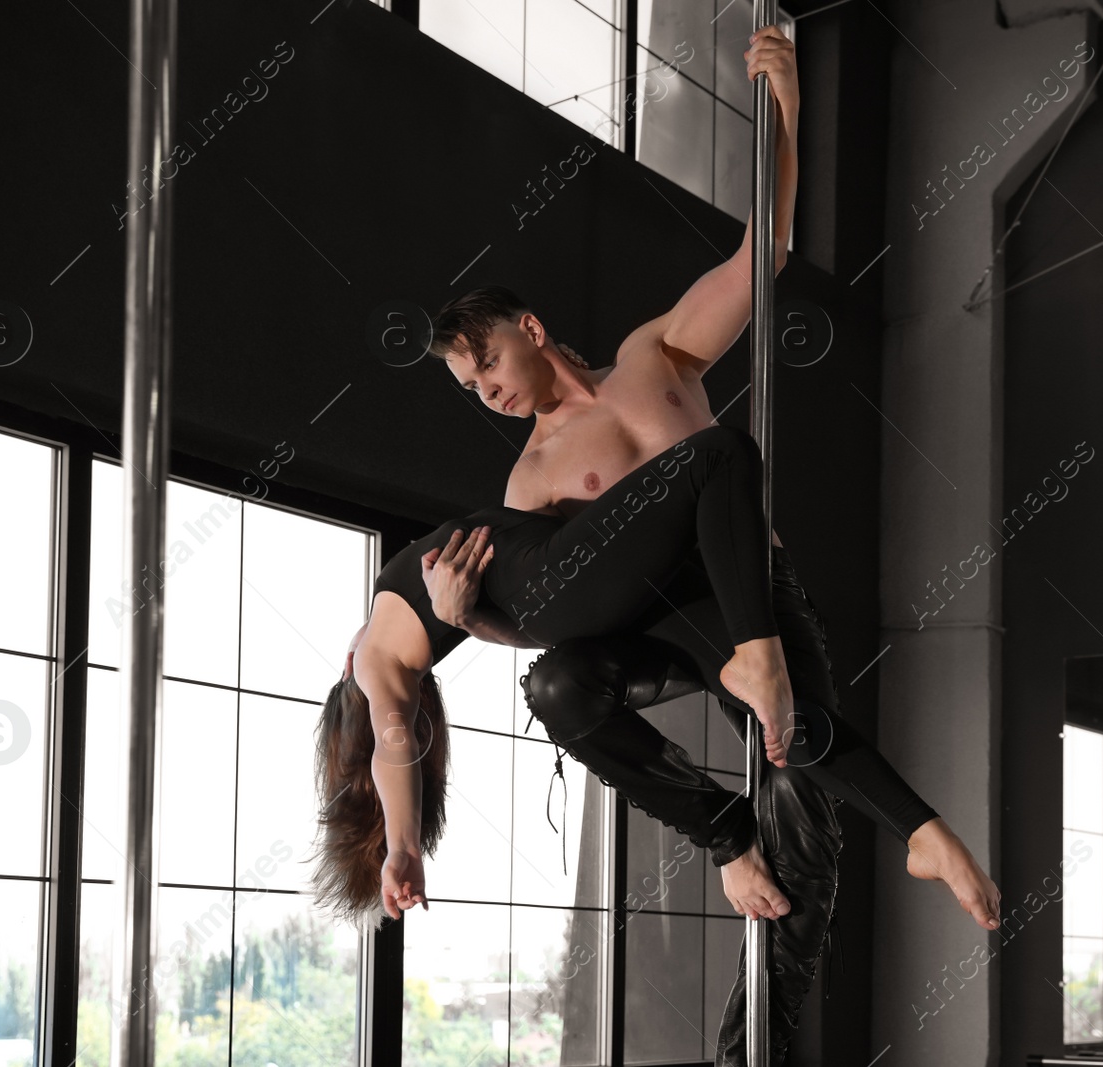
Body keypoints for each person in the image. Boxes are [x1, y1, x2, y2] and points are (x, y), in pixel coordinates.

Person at [422, 26, 999, 1064]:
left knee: (804, 842)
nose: (490, 389)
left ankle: (769, 1019)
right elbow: (555, 602)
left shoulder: (657, 354)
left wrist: (784, 108)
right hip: (654, 620)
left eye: (488, 360)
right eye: (471, 388)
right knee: (557, 687)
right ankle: (724, 829)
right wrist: (475, 621)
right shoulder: (532, 478)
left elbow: (761, 256)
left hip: (751, 594)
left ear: (529, 327)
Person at [312, 423, 809, 927]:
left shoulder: (383, 643)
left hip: (553, 573)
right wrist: (402, 845)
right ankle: (740, 834)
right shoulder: (376, 645)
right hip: (549, 574)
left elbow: (393, 741)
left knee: (713, 471)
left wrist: (404, 846)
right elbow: (389, 740)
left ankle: (733, 834)